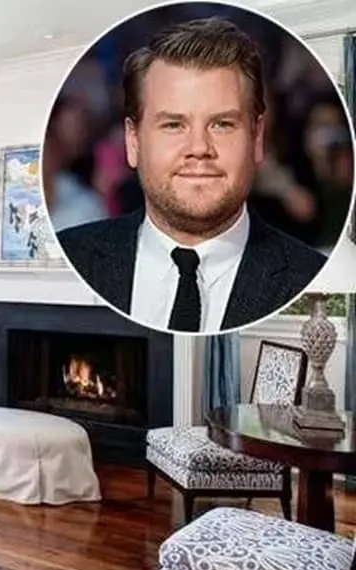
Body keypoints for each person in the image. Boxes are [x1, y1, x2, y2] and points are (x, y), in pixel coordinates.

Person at [55, 17, 327, 333]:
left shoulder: (315, 281)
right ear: (133, 141)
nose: (199, 148)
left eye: (222, 124)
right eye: (174, 125)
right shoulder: (69, 261)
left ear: (256, 138)